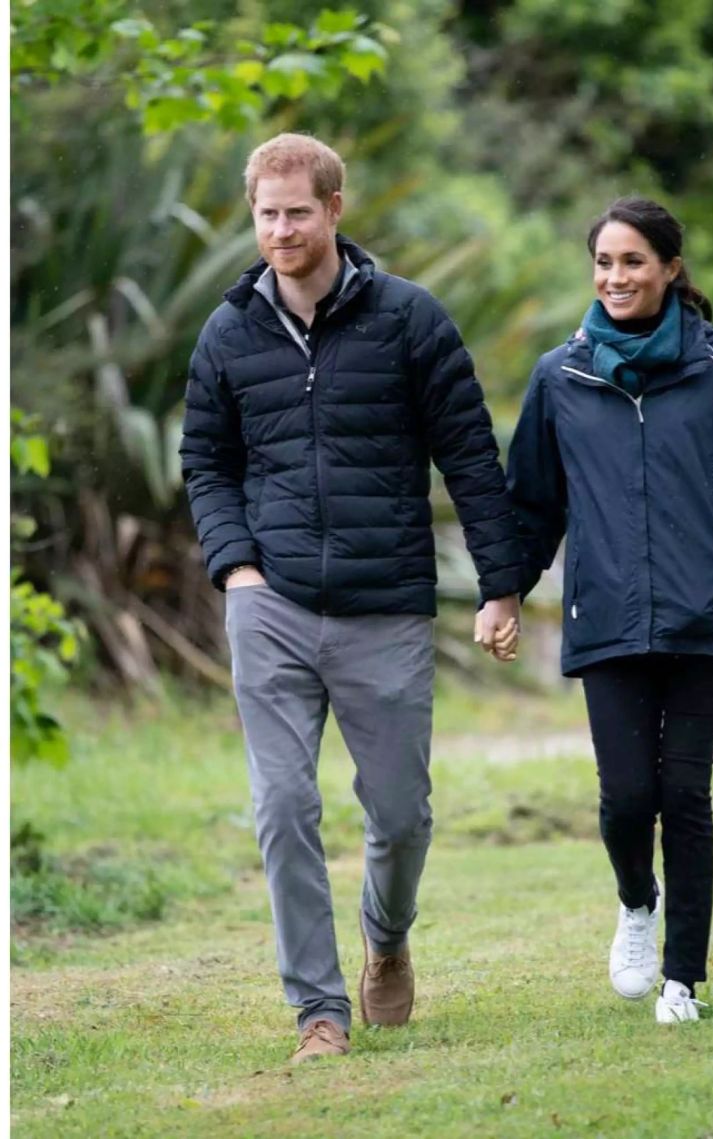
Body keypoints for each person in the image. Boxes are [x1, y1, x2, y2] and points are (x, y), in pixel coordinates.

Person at [180, 133, 521, 1062]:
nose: (280, 230)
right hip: (273, 602)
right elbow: (205, 462)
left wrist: (501, 587)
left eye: (297, 211)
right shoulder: (228, 332)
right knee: (283, 806)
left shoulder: (411, 319)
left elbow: (472, 460)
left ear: (335, 208)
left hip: (388, 606)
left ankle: (387, 935)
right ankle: (318, 1013)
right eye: (265, 214)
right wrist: (236, 565)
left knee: (402, 812)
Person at [502, 196, 713, 1023]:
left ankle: (683, 979)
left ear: (671, 268)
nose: (615, 276)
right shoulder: (561, 377)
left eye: (632, 261)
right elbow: (531, 504)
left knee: (685, 790)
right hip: (607, 620)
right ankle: (638, 901)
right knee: (628, 795)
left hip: (706, 620)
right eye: (603, 262)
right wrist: (505, 593)